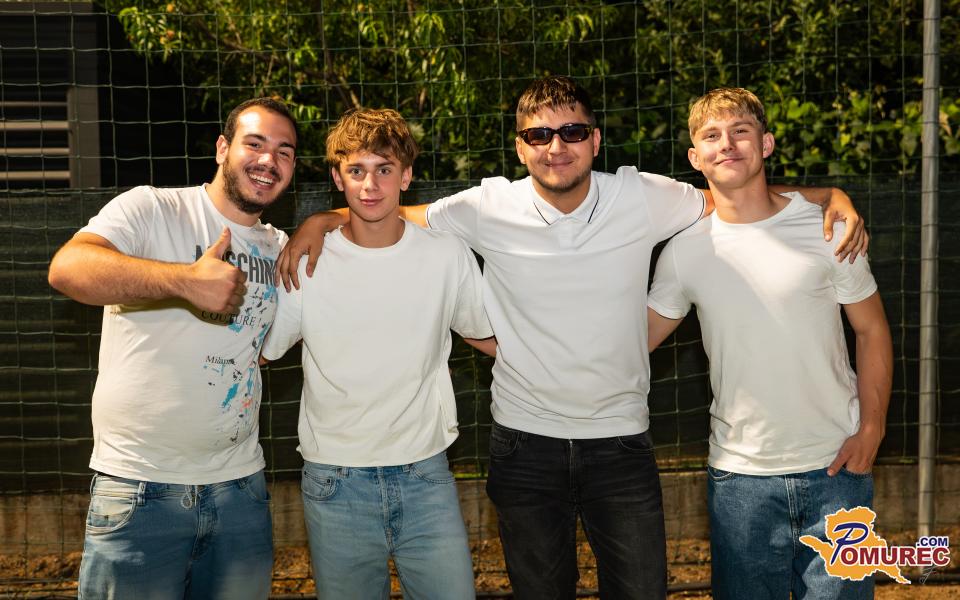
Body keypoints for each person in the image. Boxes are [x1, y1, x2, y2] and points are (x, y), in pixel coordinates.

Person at [275, 77, 868, 599]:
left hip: (621, 444)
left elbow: (736, 193)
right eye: (538, 135)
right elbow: (389, 209)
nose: (555, 146)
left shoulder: (643, 196)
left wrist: (828, 196)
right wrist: (322, 218)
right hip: (524, 445)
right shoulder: (486, 206)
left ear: (595, 140)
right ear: (520, 147)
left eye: (572, 131)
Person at [646, 87, 893, 599]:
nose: (726, 144)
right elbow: (633, 342)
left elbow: (871, 330)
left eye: (740, 131)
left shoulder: (829, 229)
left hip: (837, 469)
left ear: (766, 144)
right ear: (694, 157)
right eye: (711, 135)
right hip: (741, 481)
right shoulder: (684, 252)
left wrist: (872, 428)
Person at [47, 97, 298, 599]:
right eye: (254, 143)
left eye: (284, 151)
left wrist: (321, 222)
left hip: (240, 491)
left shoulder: (278, 247)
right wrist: (185, 281)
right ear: (222, 148)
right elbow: (68, 269)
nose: (268, 160)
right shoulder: (152, 208)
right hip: (141, 489)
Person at [260, 108, 494, 599]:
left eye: (384, 169)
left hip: (425, 472)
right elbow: (264, 352)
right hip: (335, 479)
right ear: (337, 178)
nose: (370, 185)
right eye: (356, 170)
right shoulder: (306, 261)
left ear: (406, 176)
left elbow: (487, 336)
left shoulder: (446, 255)